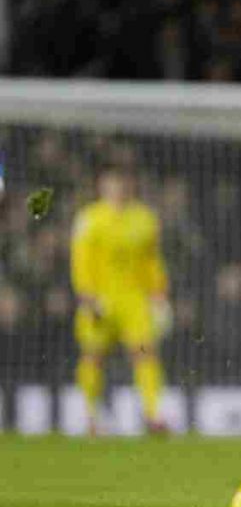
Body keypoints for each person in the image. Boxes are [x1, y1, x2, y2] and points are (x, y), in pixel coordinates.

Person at [71, 161, 172, 434]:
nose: (116, 189)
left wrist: (159, 292)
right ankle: (90, 417)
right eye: (110, 184)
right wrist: (86, 293)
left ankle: (153, 415)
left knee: (144, 353)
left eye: (121, 184)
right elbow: (81, 260)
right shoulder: (89, 218)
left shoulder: (144, 218)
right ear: (101, 187)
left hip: (134, 300)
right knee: (93, 356)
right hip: (99, 298)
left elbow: (152, 261)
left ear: (129, 186)